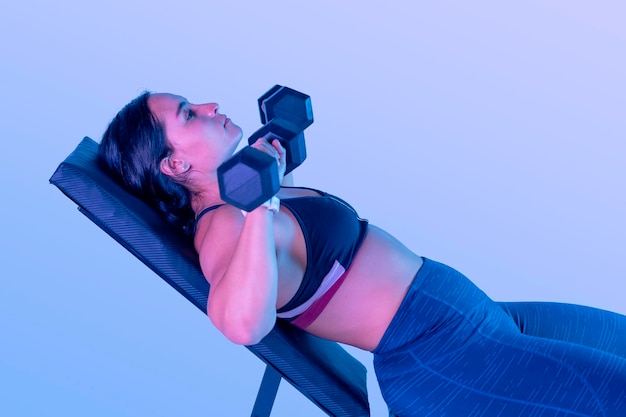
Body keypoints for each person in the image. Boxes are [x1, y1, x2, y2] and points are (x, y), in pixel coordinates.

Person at [99, 91, 626, 417]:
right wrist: (260, 206)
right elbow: (239, 322)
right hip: (446, 360)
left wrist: (269, 179)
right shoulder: (222, 228)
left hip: (480, 322)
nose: (211, 105)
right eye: (189, 114)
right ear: (172, 166)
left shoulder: (253, 193)